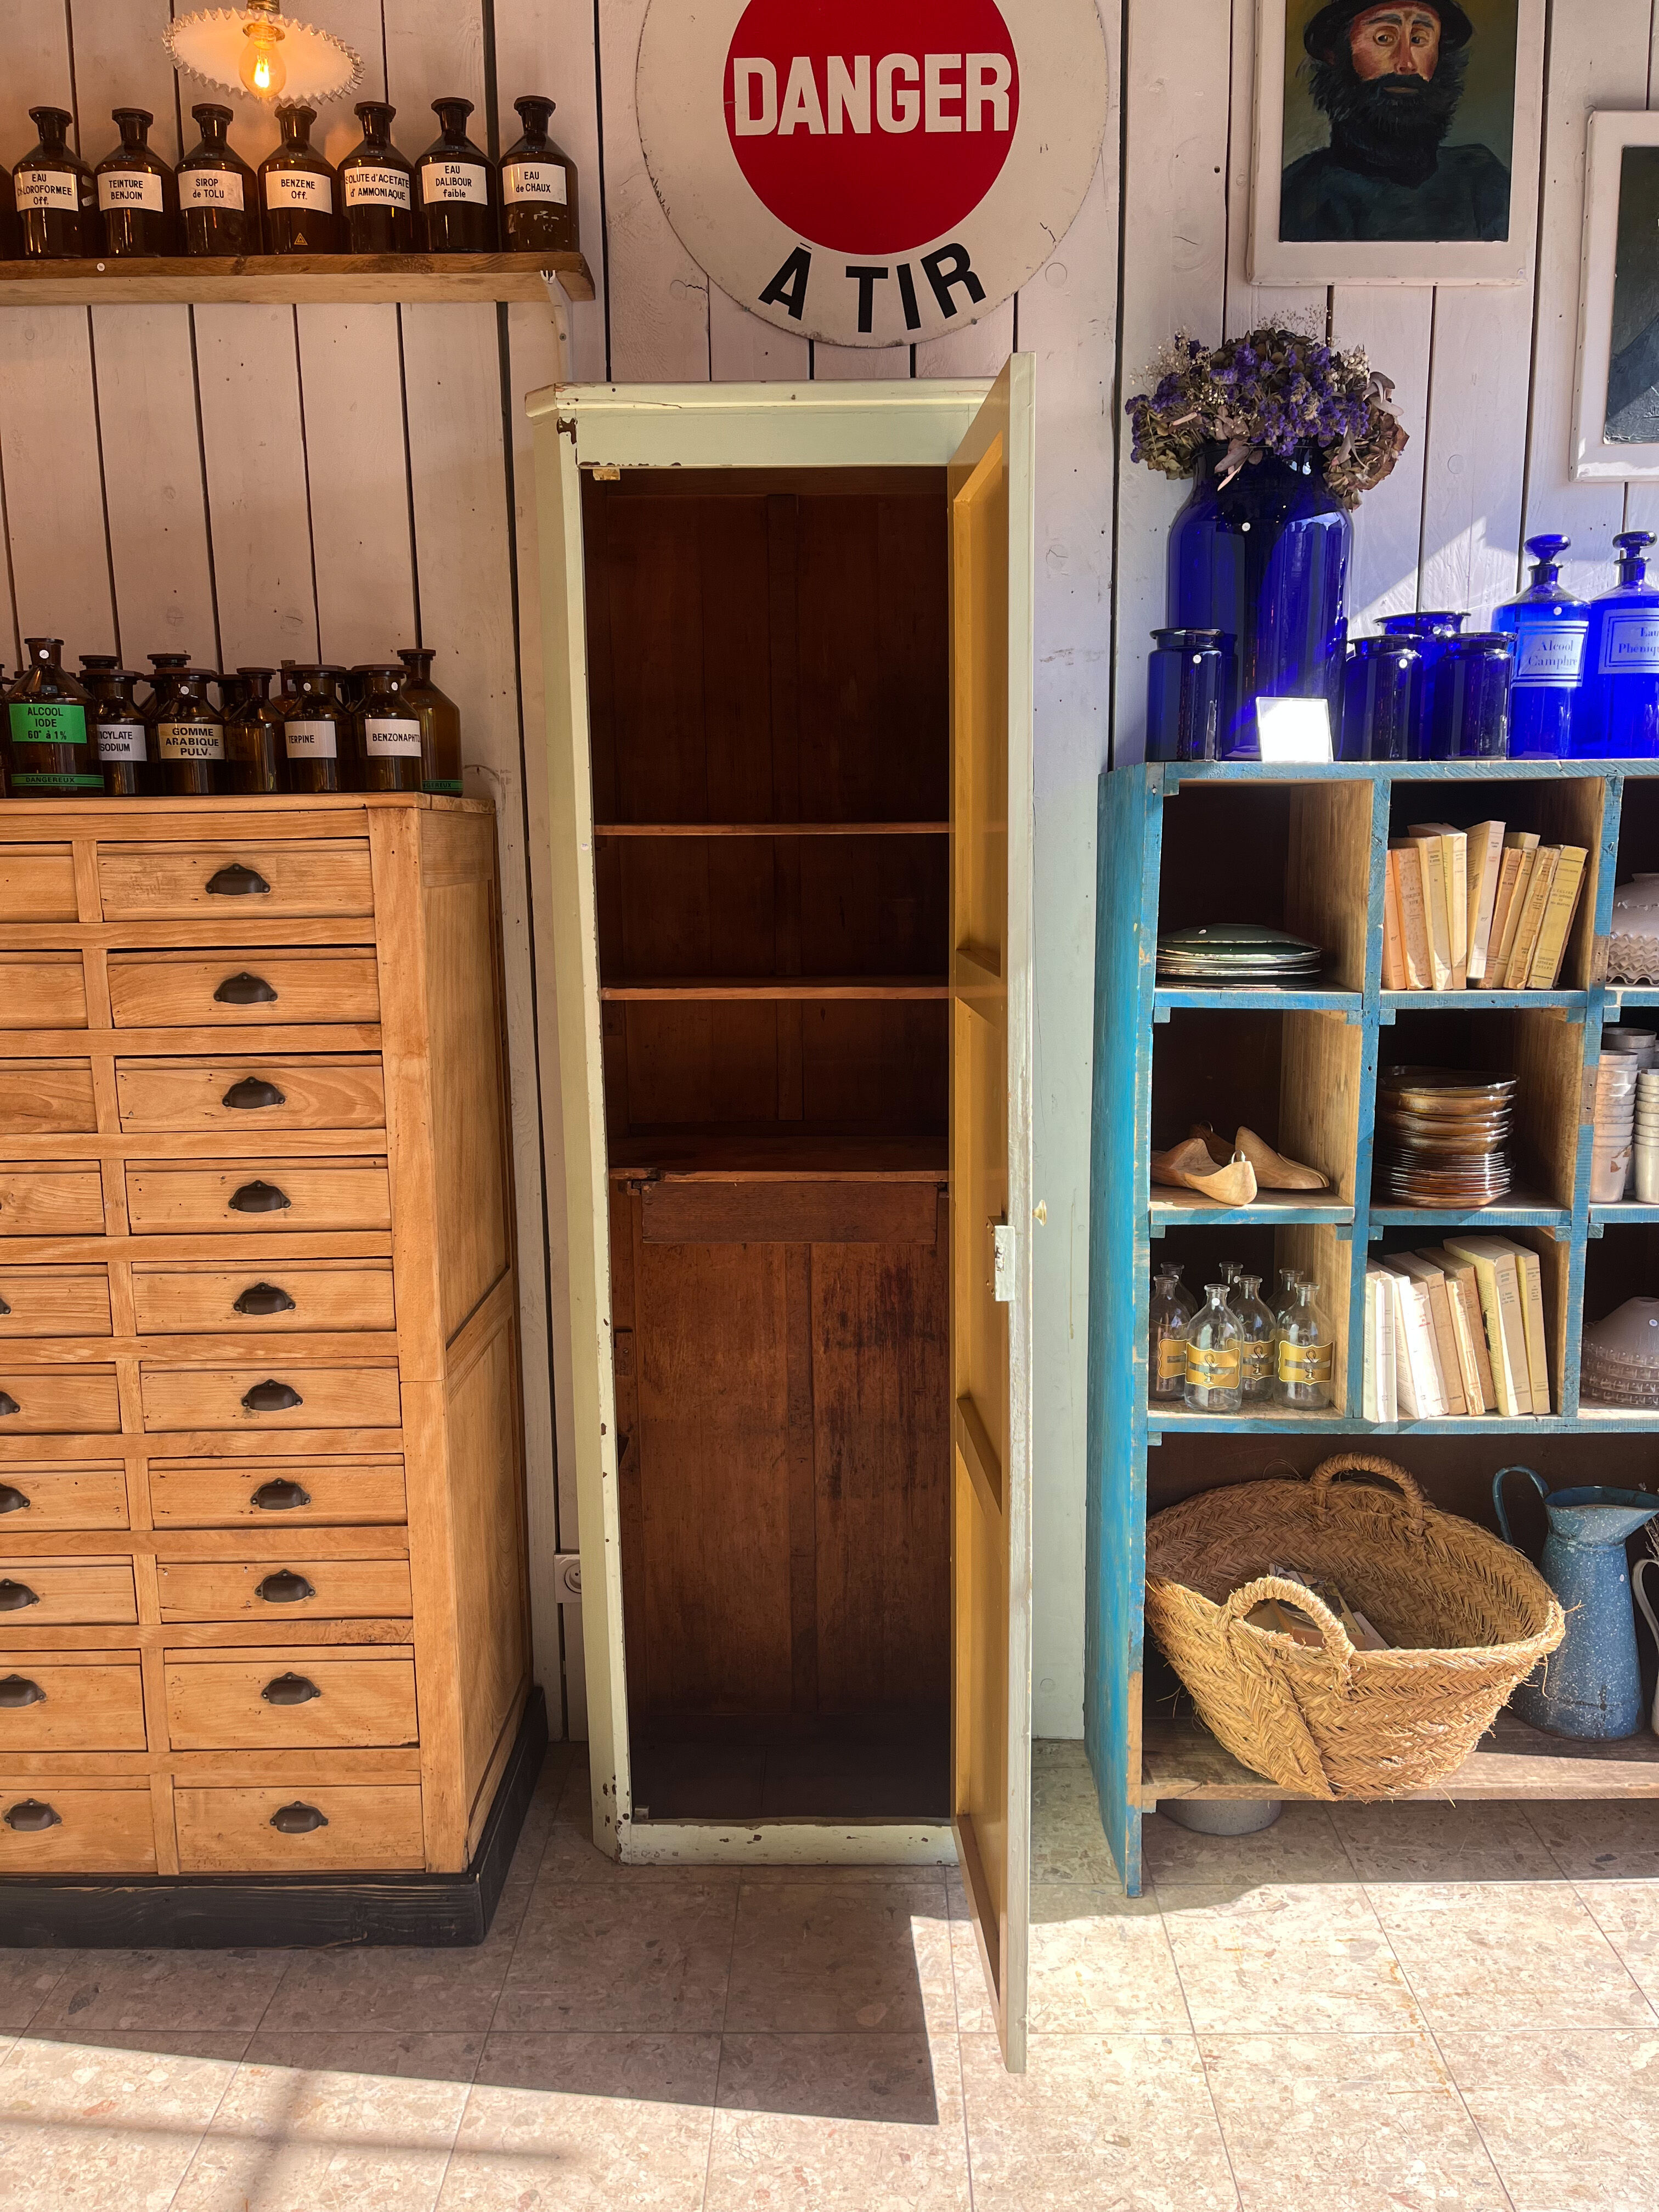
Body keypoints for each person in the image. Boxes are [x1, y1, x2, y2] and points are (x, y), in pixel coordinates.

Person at [1280, 1, 1511, 243]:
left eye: (1419, 40)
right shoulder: (1303, 191)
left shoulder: (1482, 178)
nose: (1407, 65)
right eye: (1384, 38)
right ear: (1336, 54)